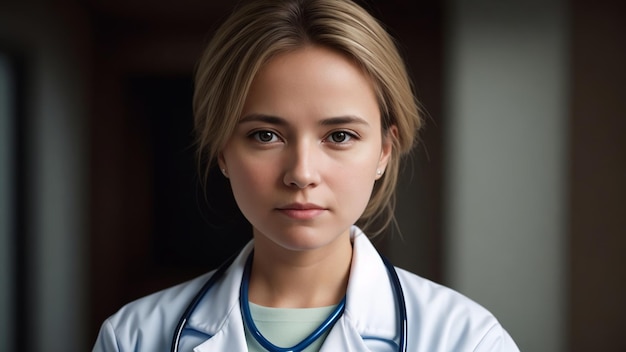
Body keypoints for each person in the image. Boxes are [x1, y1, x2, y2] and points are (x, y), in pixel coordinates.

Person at [93, 0, 519, 351]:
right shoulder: (135, 337)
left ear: (384, 151)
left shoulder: (467, 339)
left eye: (339, 135)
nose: (301, 173)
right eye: (265, 135)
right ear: (222, 149)